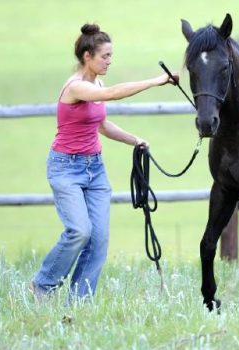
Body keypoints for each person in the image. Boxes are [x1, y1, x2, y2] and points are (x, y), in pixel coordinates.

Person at [30, 23, 178, 300]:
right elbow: (111, 94)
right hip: (65, 167)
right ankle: (44, 283)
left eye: (111, 56)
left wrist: (135, 140)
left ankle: (80, 301)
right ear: (87, 56)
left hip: (94, 169)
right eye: (105, 56)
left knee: (98, 240)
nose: (109, 61)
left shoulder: (96, 83)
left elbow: (102, 125)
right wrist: (156, 81)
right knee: (79, 231)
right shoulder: (76, 87)